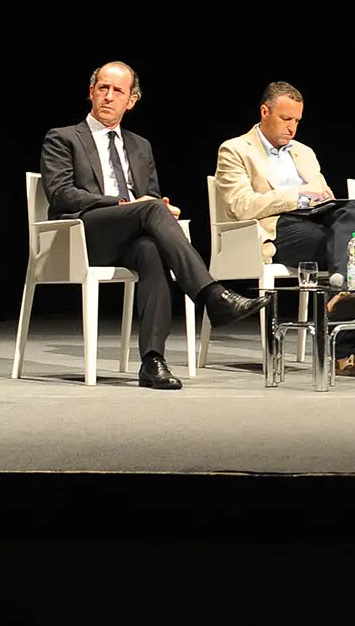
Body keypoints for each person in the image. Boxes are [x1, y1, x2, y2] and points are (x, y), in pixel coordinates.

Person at [40, 62, 270, 389]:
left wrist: (160, 207)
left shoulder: (140, 146)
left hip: (132, 232)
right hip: (84, 233)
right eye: (102, 88)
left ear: (131, 101)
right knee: (149, 211)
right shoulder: (63, 138)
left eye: (117, 90)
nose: (108, 96)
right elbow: (62, 194)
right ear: (90, 92)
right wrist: (124, 205)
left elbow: (151, 196)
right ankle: (212, 296)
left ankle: (152, 361)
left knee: (151, 249)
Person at [214, 82, 355, 379]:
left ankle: (344, 297)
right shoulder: (236, 149)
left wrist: (323, 196)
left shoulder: (304, 152)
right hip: (274, 226)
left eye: (297, 121)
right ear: (265, 112)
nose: (292, 127)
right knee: (346, 249)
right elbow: (240, 205)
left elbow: (319, 189)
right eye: (285, 119)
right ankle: (347, 351)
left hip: (315, 216)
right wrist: (296, 195)